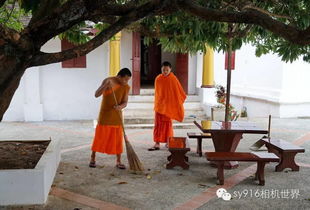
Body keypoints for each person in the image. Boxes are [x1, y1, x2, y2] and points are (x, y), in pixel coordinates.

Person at [89, 68, 131, 169]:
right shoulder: (108, 81)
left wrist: (120, 107)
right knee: (99, 137)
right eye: (125, 79)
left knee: (117, 140)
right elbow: (96, 94)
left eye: (128, 80)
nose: (126, 82)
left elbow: (125, 102)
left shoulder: (126, 87)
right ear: (119, 76)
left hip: (117, 116)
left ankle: (118, 161)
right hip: (105, 115)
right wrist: (105, 86)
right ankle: (92, 158)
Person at [148, 61, 186, 151]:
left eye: (167, 70)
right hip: (160, 106)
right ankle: (157, 143)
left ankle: (169, 142)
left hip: (169, 107)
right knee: (158, 125)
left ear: (170, 69)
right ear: (161, 69)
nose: (165, 71)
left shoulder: (173, 79)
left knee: (168, 125)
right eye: (163, 70)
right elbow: (158, 93)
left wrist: (175, 102)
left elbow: (179, 92)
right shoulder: (158, 79)